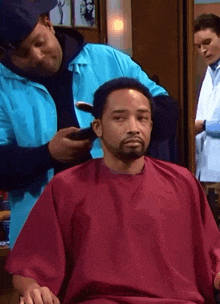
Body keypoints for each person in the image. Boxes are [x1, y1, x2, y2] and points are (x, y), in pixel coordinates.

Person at [5, 77, 220, 304]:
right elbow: (27, 268)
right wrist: (33, 290)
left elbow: (213, 257)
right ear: (98, 127)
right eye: (119, 118)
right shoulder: (67, 186)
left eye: (142, 118)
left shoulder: (182, 182)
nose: (133, 128)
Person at [0, 0, 178, 247]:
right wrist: (48, 154)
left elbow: (166, 109)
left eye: (40, 43)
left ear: (48, 23)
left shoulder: (107, 60)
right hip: (43, 235)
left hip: (123, 223)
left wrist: (119, 132)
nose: (38, 57)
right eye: (22, 53)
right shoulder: (3, 86)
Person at [194, 14, 220, 215]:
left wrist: (203, 126)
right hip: (205, 170)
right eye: (198, 46)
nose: (203, 50)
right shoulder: (209, 74)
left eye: (207, 42)